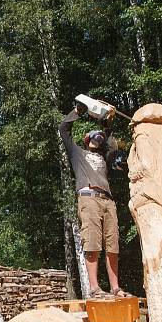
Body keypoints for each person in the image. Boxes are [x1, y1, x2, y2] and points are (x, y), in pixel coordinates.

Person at [58, 106, 132, 299]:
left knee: (112, 245)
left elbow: (110, 139)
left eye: (100, 137)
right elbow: (63, 130)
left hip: (108, 201)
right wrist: (78, 111)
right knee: (92, 243)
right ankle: (94, 287)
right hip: (88, 198)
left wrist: (108, 117)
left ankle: (116, 288)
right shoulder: (77, 154)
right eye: (94, 136)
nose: (98, 138)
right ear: (87, 139)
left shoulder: (106, 157)